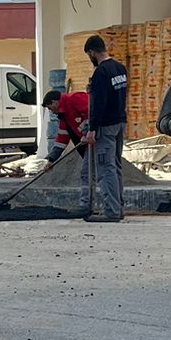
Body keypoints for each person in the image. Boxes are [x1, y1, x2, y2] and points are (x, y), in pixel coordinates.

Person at [82, 35, 128, 222]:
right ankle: (119, 207)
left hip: (106, 126)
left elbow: (99, 103)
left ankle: (112, 211)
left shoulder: (101, 72)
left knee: (105, 168)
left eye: (89, 55)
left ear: (92, 52)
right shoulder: (119, 68)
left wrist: (92, 129)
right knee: (115, 167)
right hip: (120, 122)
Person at [41, 87, 91, 163]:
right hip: (89, 144)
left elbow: (92, 113)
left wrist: (86, 133)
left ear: (54, 102)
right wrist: (51, 159)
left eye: (50, 108)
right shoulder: (64, 117)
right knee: (87, 172)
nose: (52, 112)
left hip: (99, 140)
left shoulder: (74, 99)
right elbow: (62, 140)